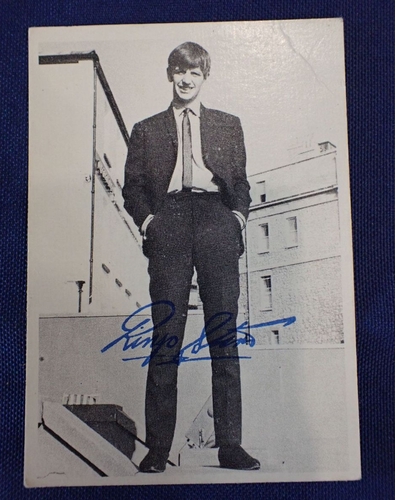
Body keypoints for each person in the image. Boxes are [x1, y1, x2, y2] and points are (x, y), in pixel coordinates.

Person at [122, 41, 260, 473]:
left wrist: (236, 218)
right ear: (170, 74)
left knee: (224, 333)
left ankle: (230, 447)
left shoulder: (227, 125)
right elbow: (133, 188)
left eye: (194, 73)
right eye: (179, 71)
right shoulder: (146, 130)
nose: (186, 79)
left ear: (204, 77)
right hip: (170, 222)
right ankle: (158, 449)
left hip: (216, 218)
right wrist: (150, 222)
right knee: (167, 335)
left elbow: (239, 181)